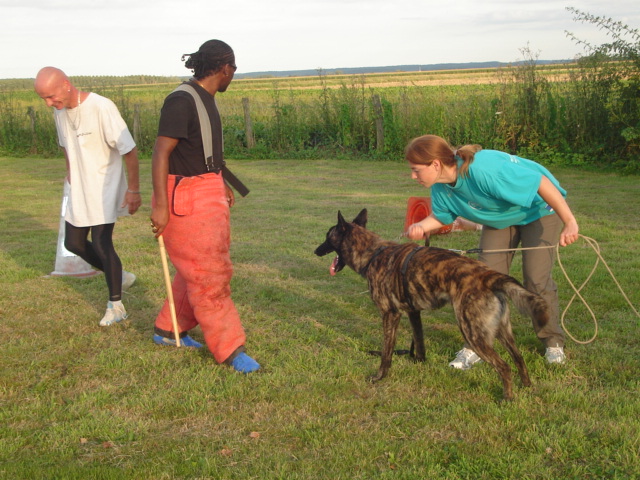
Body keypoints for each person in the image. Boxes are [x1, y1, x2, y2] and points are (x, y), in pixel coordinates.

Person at [404, 134, 579, 368]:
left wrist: (570, 222)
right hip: (500, 219)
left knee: (536, 280)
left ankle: (553, 342)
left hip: (538, 211)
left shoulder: (482, 170)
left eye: (416, 170)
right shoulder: (440, 186)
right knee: (483, 282)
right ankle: (477, 345)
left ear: (435, 164)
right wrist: (421, 226)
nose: (412, 176)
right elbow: (442, 215)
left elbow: (540, 183)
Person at [149, 40, 260, 374]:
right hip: (185, 197)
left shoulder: (205, 99)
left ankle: (169, 330)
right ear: (224, 68)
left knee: (194, 269)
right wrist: (159, 206)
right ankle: (229, 348)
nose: (234, 76)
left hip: (206, 189)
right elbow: (160, 153)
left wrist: (219, 182)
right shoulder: (181, 100)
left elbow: (201, 151)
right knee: (210, 275)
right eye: (234, 70)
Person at [34, 67, 141, 326]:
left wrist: (134, 190)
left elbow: (129, 150)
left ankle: (116, 306)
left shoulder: (102, 107)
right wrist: (71, 172)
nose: (49, 103)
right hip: (81, 187)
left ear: (66, 85)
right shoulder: (59, 113)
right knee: (74, 243)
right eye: (44, 99)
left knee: (102, 243)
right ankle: (119, 274)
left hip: (105, 185)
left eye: (51, 97)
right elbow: (65, 145)